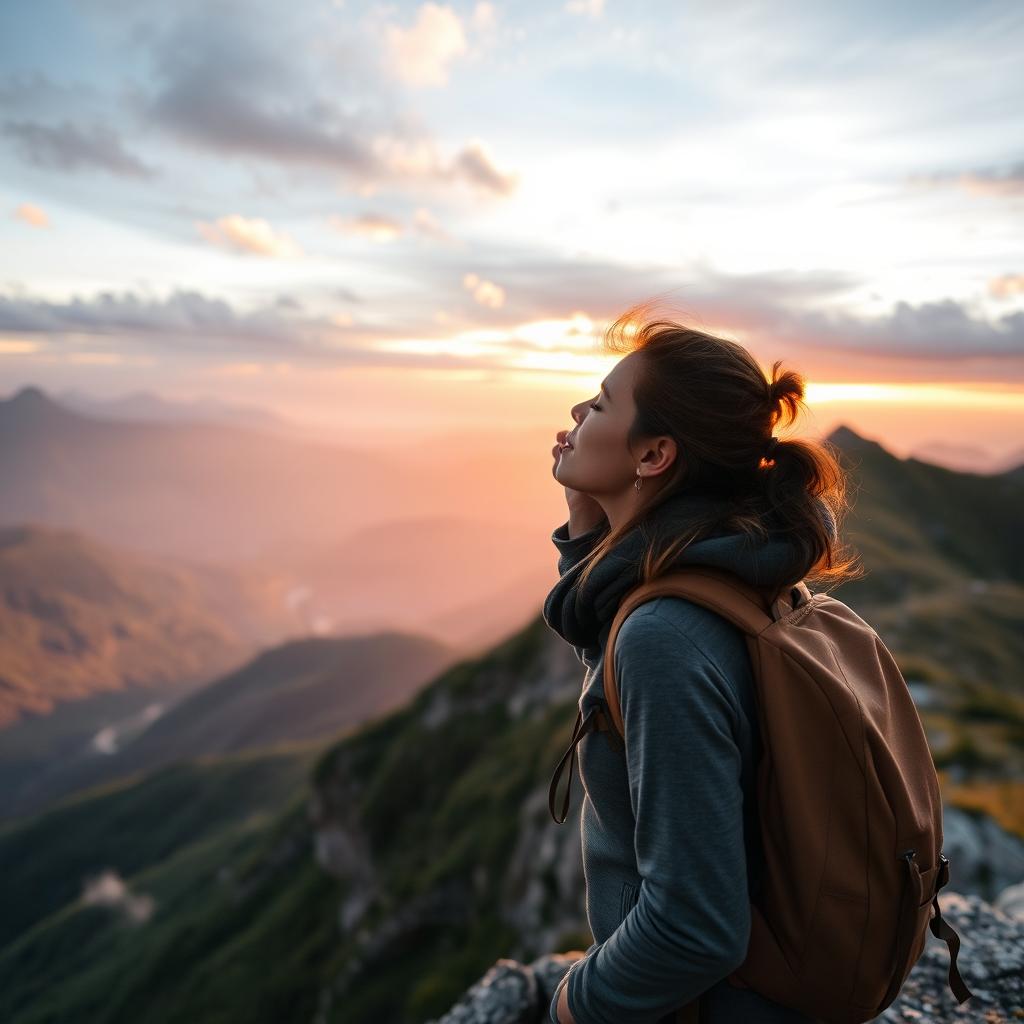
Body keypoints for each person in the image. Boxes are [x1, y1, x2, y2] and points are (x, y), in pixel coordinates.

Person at [542, 304, 862, 1024]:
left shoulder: (665, 634)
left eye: (599, 403)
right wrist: (589, 530)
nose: (576, 409)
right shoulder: (732, 570)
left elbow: (697, 929)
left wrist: (574, 1005)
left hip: (701, 1009)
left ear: (654, 456)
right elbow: (622, 675)